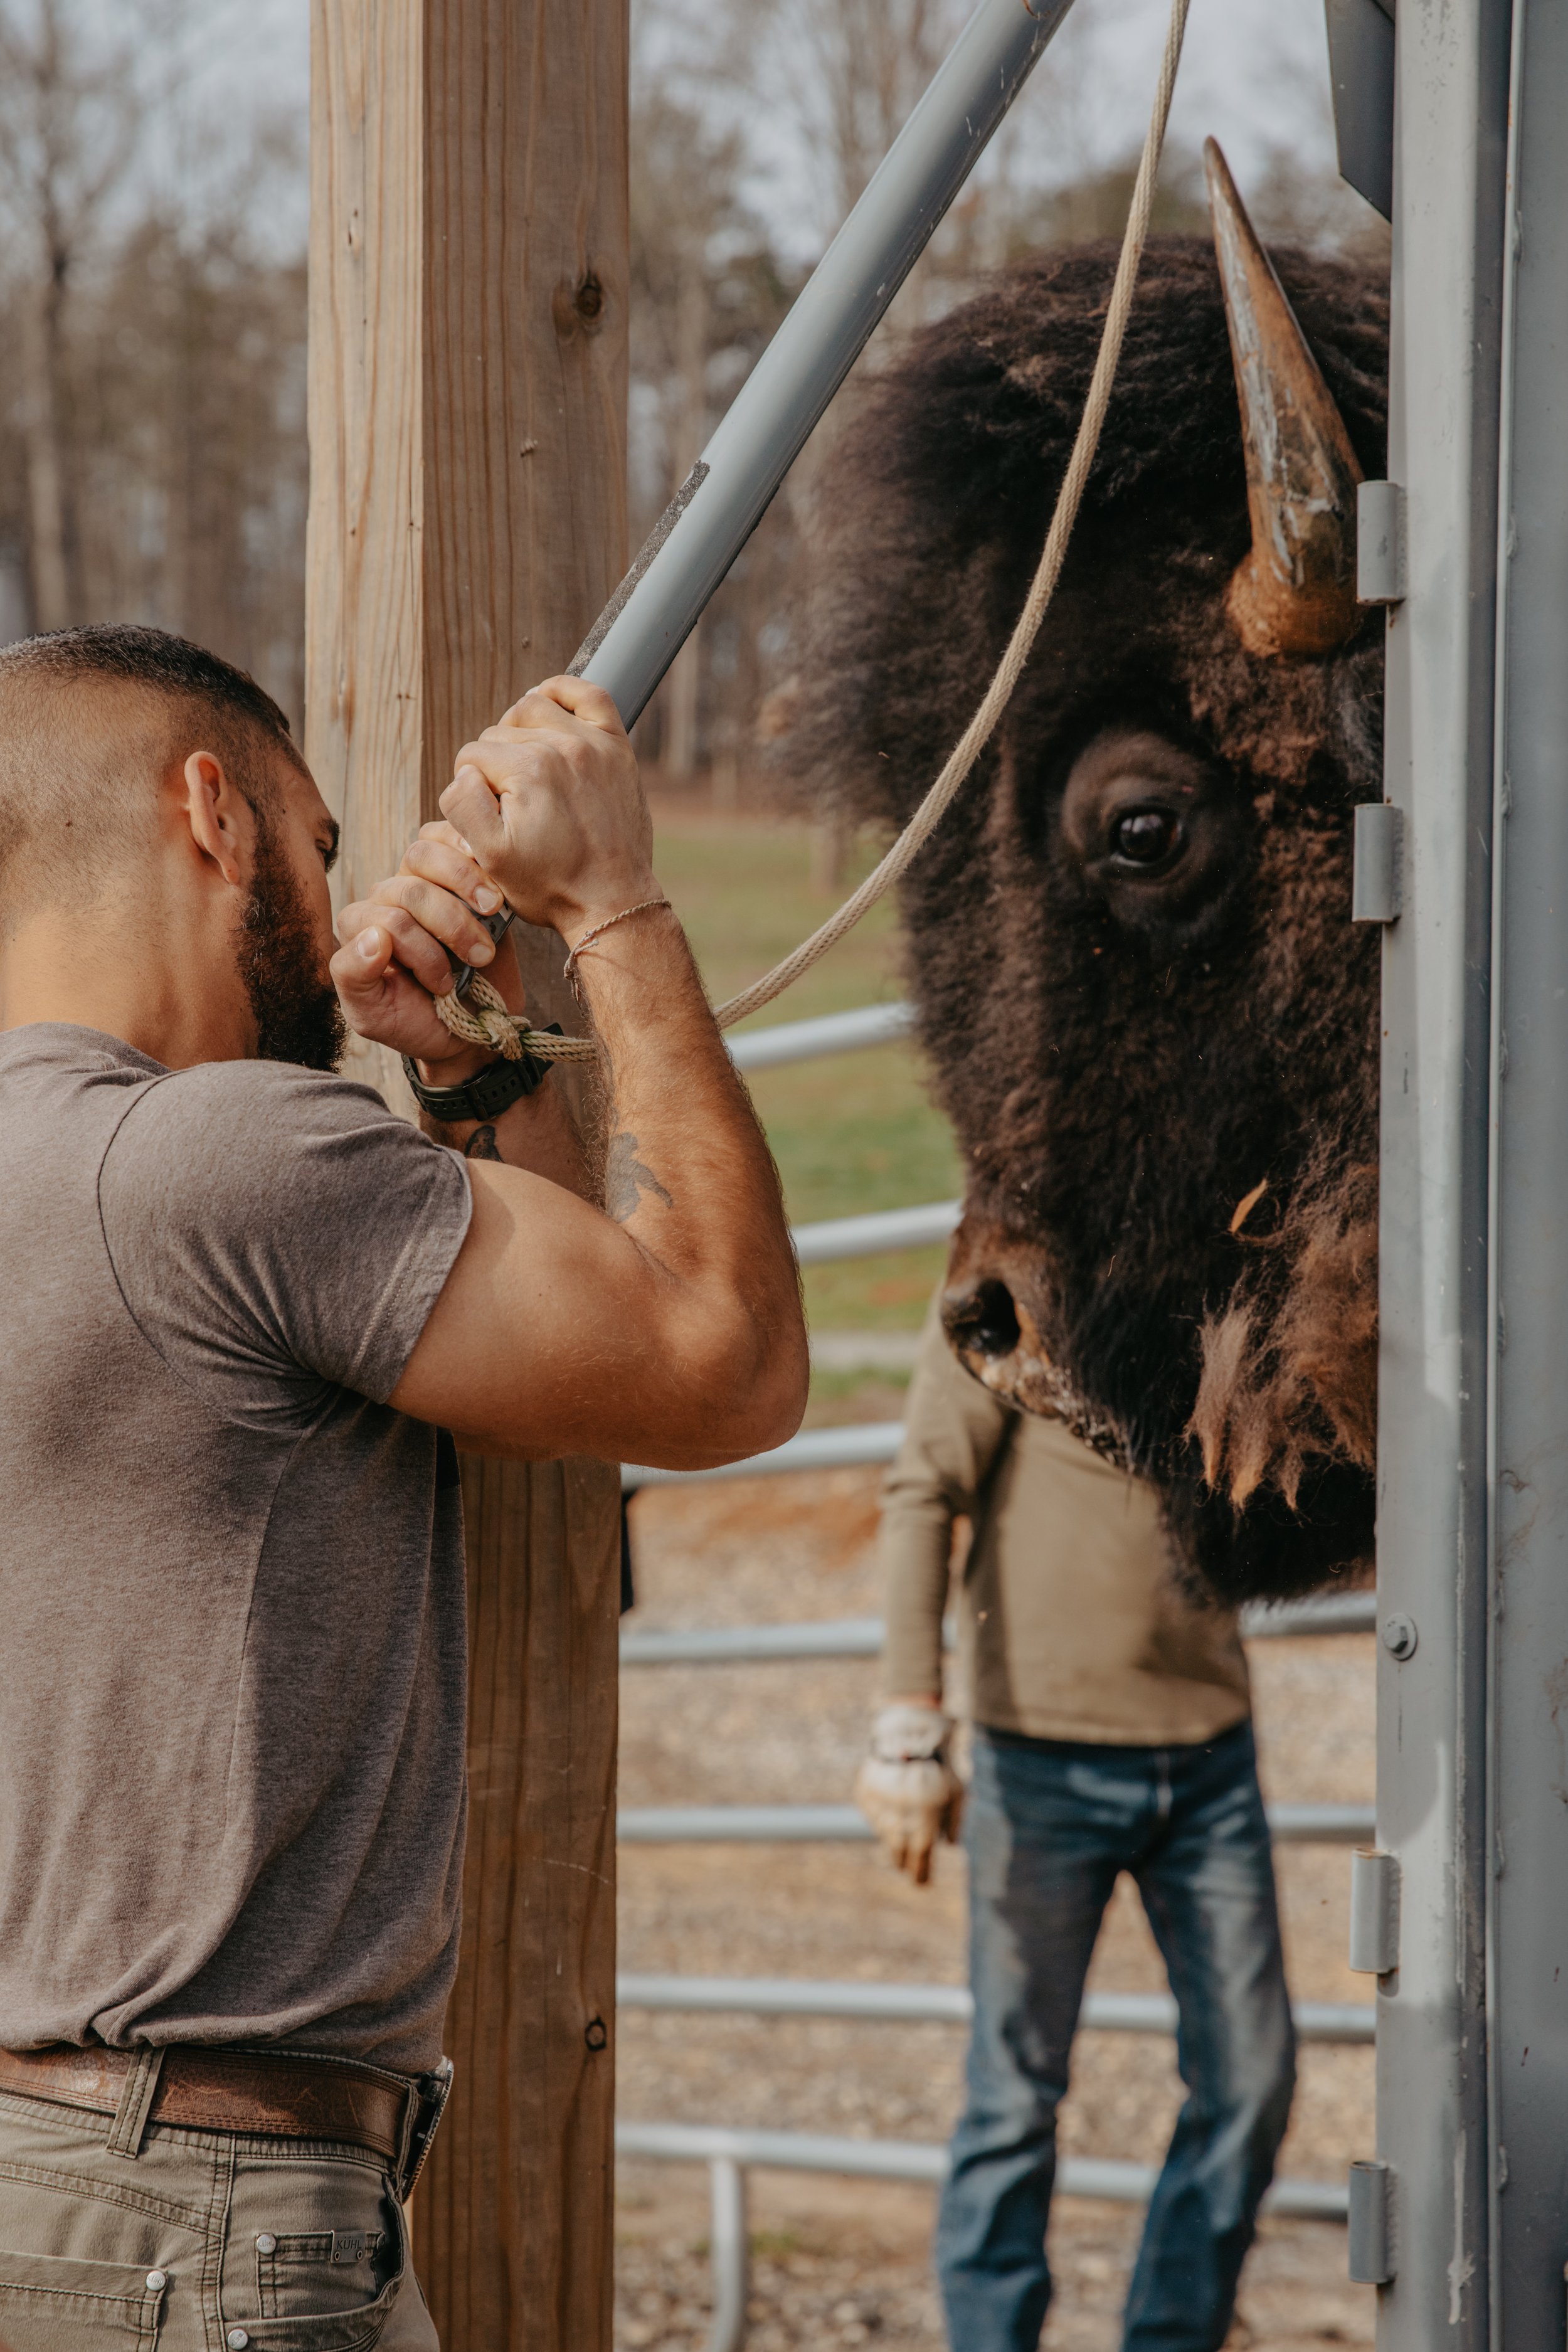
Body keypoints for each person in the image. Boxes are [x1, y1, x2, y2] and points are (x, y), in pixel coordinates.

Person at [0, 625, 806, 2352]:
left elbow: (542, 1397)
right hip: (187, 2217)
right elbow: (720, 1358)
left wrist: (469, 1070)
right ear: (213, 813)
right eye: (318, 839)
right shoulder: (212, 1158)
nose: (335, 882)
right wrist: (610, 905)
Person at [855, 1307, 1294, 2352]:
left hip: (1208, 1752)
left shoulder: (1224, 1284)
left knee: (1253, 2078)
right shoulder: (1011, 1279)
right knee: (1014, 2097)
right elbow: (924, 1490)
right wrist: (908, 1725)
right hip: (1039, 1755)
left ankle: (1173, 2336)